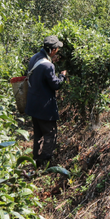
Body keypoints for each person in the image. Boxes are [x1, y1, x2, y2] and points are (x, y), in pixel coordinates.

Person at [25, 35, 68, 168]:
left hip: (33, 104)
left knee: (38, 134)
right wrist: (62, 76)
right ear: (53, 50)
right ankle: (45, 162)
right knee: (50, 133)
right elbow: (55, 85)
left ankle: (36, 160)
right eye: (57, 49)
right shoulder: (48, 66)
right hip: (44, 107)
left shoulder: (34, 58)